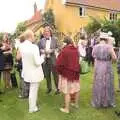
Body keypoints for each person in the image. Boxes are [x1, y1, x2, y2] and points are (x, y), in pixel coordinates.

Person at [16, 29, 44, 113]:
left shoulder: (21, 46)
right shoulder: (34, 47)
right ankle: (32, 108)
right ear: (30, 36)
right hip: (34, 72)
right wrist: (42, 57)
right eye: (34, 36)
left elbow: (20, 58)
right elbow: (37, 62)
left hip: (27, 72)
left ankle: (33, 105)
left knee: (32, 90)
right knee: (33, 90)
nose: (35, 37)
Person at [92, 32, 117, 108]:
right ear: (106, 39)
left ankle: (98, 101)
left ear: (100, 39)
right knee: (107, 83)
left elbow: (93, 55)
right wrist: (111, 60)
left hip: (98, 65)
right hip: (107, 65)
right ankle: (106, 102)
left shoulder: (95, 46)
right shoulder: (109, 47)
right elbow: (115, 58)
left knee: (98, 82)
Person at [56, 37, 80, 113]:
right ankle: (76, 104)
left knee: (67, 91)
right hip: (75, 73)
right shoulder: (76, 50)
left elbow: (59, 63)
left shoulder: (64, 51)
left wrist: (60, 71)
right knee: (76, 89)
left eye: (63, 42)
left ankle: (66, 109)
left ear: (65, 43)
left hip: (67, 74)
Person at [38, 26, 59, 94]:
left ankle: (58, 88)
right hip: (45, 60)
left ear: (50, 32)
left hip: (53, 59)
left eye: (47, 31)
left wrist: (51, 50)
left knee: (55, 75)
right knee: (47, 75)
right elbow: (39, 49)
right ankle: (49, 88)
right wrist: (42, 51)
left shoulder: (55, 39)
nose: (46, 33)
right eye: (45, 31)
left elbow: (58, 48)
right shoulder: (41, 41)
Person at [16, 34, 30, 98]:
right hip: (28, 64)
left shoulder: (20, 47)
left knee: (22, 79)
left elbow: (18, 57)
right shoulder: (29, 46)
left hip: (22, 64)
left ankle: (24, 94)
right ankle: (28, 92)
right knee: (28, 78)